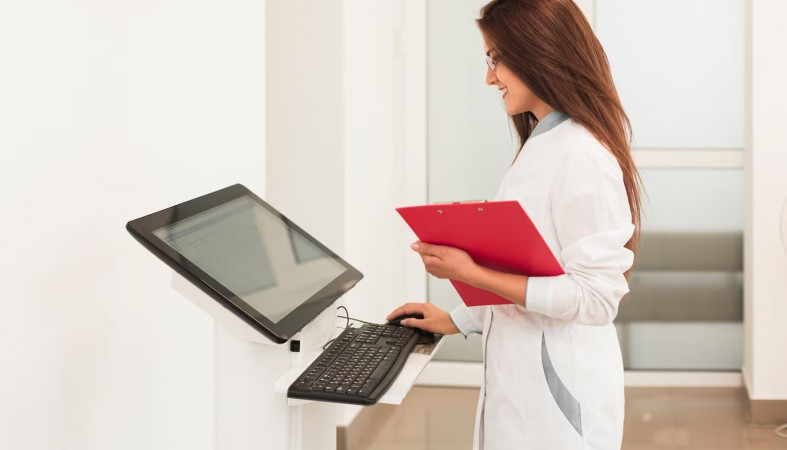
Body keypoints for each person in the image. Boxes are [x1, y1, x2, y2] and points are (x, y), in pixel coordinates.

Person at [387, 0, 642, 448]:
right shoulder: (543, 143)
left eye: (496, 60)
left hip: (558, 405)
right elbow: (535, 271)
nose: (490, 78)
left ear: (538, 53)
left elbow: (597, 298)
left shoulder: (582, 155)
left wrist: (472, 274)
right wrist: (457, 319)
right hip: (524, 391)